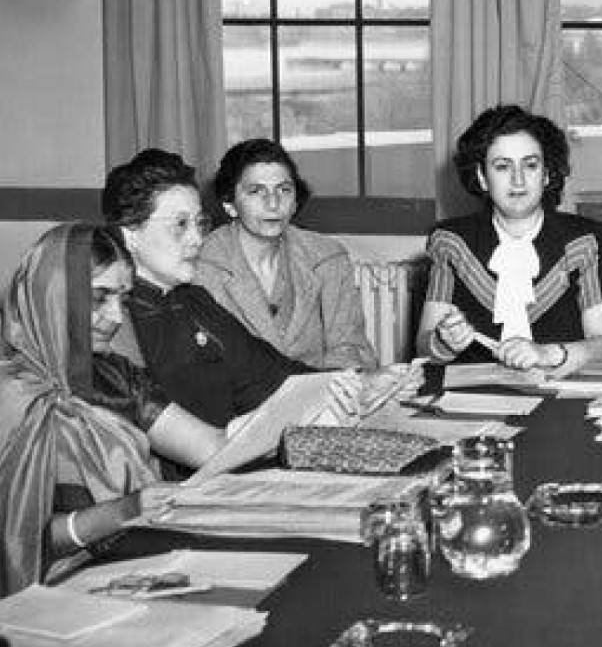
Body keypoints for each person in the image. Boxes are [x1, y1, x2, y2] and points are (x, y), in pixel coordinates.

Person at [0, 224, 225, 595]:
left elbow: (212, 446)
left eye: (122, 299)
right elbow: (15, 540)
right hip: (48, 590)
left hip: (137, 566)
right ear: (54, 296)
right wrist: (124, 510)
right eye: (99, 298)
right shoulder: (12, 396)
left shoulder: (113, 375)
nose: (117, 317)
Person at [102, 149, 367, 431]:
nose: (196, 239)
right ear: (130, 234)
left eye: (199, 223)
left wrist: (363, 383)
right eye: (180, 224)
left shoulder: (193, 301)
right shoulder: (114, 324)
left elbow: (272, 374)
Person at [416, 105, 602, 375]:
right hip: (476, 402)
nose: (518, 180)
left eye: (530, 165)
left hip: (561, 395)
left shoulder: (585, 242)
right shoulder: (451, 243)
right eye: (502, 167)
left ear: (547, 174)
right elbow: (424, 348)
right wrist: (443, 342)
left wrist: (546, 353)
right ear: (482, 178)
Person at [196, 139, 377, 370]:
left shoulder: (327, 257)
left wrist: (323, 392)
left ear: (295, 202)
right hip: (240, 402)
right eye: (255, 191)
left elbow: (351, 349)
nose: (273, 203)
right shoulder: (203, 266)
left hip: (322, 395)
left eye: (284, 190)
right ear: (229, 204)